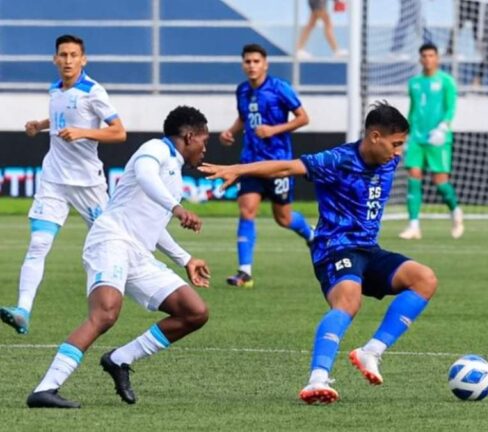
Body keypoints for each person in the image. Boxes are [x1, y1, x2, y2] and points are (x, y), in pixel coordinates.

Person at [201, 102, 438, 405]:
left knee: (425, 279)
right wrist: (238, 169)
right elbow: (287, 166)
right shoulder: (338, 159)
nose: (398, 153)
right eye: (396, 144)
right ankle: (317, 379)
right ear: (375, 136)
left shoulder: (387, 161)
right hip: (334, 248)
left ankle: (371, 352)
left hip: (368, 249)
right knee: (349, 302)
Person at [26, 106, 212, 409]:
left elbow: (153, 226)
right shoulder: (154, 149)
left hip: (139, 253)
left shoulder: (175, 175)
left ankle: (119, 359)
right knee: (105, 314)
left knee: (194, 312)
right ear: (189, 137)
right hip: (111, 240)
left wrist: (186, 259)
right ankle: (46, 388)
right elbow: (146, 176)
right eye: (204, 141)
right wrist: (178, 209)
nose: (205, 148)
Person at [0, 34, 127, 335]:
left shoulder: (93, 92)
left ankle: (143, 288)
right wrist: (40, 125)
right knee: (38, 244)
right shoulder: (55, 89)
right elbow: (62, 118)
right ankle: (23, 310)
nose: (68, 60)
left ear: (83, 60)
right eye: (63, 55)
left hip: (87, 185)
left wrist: (83, 132)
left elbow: (119, 132)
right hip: (54, 180)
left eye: (73, 55)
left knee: (111, 243)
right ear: (55, 60)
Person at [219, 43, 314, 288]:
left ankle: (311, 234)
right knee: (247, 210)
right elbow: (244, 117)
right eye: (247, 61)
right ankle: (245, 272)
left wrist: (274, 129)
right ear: (243, 64)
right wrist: (231, 131)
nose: (251, 66)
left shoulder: (280, 88)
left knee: (283, 218)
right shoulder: (242, 90)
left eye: (256, 61)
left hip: (278, 162)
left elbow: (303, 118)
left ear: (265, 64)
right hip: (250, 162)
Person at [399, 43, 464, 240]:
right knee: (413, 177)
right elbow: (413, 110)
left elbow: (451, 108)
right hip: (417, 138)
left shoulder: (446, 81)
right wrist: (404, 135)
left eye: (431, 55)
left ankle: (455, 212)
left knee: (440, 182)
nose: (428, 59)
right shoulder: (414, 83)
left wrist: (443, 128)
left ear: (437, 58)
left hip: (439, 138)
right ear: (420, 59)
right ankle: (413, 226)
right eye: (424, 56)